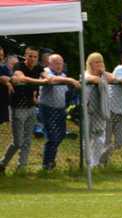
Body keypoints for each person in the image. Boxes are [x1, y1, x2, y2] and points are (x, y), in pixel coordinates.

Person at [0, 46, 49, 175]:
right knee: (18, 142)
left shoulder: (39, 68)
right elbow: (22, 78)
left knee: (27, 141)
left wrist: (69, 80)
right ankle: (2, 163)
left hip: (31, 108)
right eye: (30, 56)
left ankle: (21, 168)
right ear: (25, 55)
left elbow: (48, 78)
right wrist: (41, 81)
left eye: (35, 56)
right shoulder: (18, 66)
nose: (32, 59)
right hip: (17, 108)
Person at [39, 54, 80, 170]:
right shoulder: (45, 72)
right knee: (52, 137)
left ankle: (50, 161)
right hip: (47, 109)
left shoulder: (63, 75)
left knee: (61, 135)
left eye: (60, 63)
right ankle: (47, 164)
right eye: (56, 63)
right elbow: (51, 81)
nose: (58, 65)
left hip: (60, 110)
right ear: (49, 63)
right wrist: (69, 80)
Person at [84, 52, 114, 168]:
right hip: (88, 111)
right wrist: (102, 77)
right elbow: (94, 79)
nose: (99, 64)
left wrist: (103, 72)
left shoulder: (103, 75)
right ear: (90, 64)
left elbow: (113, 78)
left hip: (101, 111)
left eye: (101, 61)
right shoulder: (84, 74)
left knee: (99, 138)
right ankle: (86, 164)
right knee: (87, 138)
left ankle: (95, 164)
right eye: (96, 62)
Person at [0, 46, 13, 133]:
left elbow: (8, 78)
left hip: (2, 101)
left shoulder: (4, 68)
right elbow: (3, 78)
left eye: (1, 55)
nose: (0, 57)